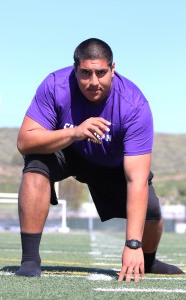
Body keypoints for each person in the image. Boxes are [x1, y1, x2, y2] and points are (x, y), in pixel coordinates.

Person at [15, 38, 184, 281]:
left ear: (112, 69)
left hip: (112, 164)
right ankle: (30, 260)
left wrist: (133, 245)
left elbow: (136, 178)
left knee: (152, 211)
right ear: (75, 70)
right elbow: (24, 141)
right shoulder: (55, 85)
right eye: (85, 73)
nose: (93, 81)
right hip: (70, 149)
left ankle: (147, 261)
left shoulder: (134, 105)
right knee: (35, 165)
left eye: (101, 72)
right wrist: (74, 132)